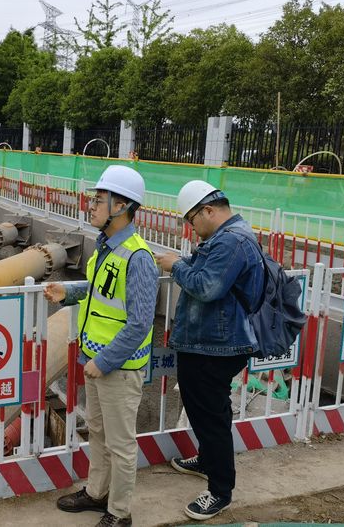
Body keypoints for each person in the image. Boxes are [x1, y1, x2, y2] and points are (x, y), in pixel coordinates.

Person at [45, 165, 159, 527]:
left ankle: (119, 512)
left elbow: (140, 322)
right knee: (97, 430)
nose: (91, 206)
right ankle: (96, 492)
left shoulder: (139, 258)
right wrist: (69, 294)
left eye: (99, 200)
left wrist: (105, 361)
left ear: (121, 205)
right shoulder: (107, 247)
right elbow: (101, 294)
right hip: (95, 359)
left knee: (121, 444)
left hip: (117, 368)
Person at [154, 180, 264, 521]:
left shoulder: (232, 240)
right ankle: (208, 460)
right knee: (207, 409)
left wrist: (175, 265)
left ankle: (220, 490)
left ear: (209, 211)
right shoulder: (226, 237)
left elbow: (207, 286)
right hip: (208, 342)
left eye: (192, 220)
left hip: (216, 346)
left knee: (211, 414)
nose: (191, 228)